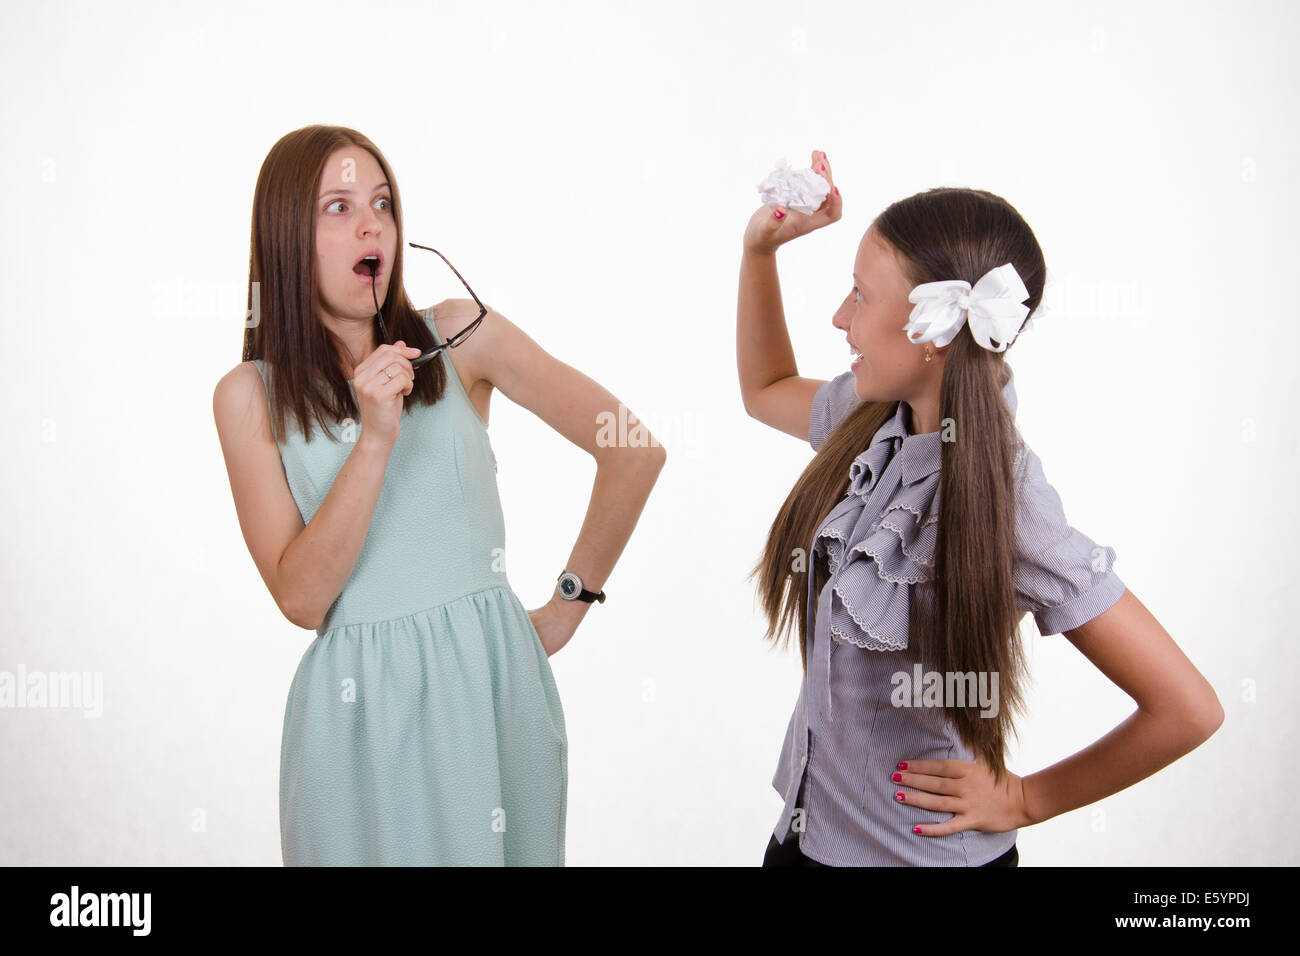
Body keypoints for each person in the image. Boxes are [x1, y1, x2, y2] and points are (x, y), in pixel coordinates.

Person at [739, 149, 1223, 866]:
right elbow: (766, 386)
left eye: (861, 296)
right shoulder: (874, 414)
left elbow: (1188, 709)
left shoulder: (1008, 500)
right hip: (803, 841)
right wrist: (759, 253)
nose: (841, 317)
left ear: (931, 334)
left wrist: (1028, 798)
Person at [212, 125, 665, 865]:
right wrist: (375, 437)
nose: (372, 225)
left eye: (382, 203)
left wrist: (569, 603)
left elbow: (632, 448)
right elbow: (301, 600)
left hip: (493, 695)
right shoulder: (248, 397)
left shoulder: (460, 337)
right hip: (355, 723)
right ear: (287, 237)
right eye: (338, 206)